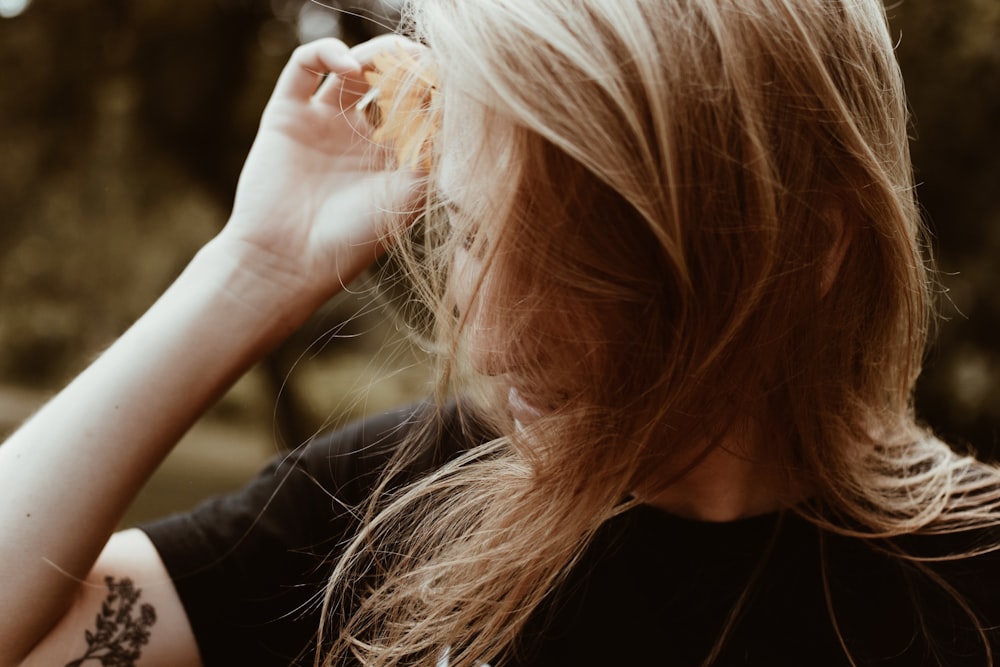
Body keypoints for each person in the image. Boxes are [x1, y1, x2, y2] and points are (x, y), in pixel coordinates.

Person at [2, 0, 999, 665]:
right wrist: (252, 268)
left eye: (572, 263)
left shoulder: (972, 585)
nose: (492, 337)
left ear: (808, 243)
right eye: (471, 233)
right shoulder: (404, 497)